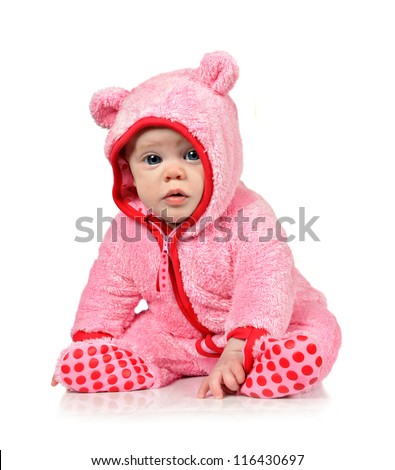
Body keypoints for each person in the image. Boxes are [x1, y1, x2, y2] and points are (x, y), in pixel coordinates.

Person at [52, 51, 341, 399]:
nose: (173, 172)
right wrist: (91, 338)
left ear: (220, 153)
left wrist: (239, 346)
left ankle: (270, 360)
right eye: (153, 159)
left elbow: (265, 280)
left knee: (313, 327)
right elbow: (108, 288)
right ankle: (119, 361)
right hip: (179, 339)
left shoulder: (248, 215)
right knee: (146, 337)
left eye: (191, 155)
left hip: (267, 327)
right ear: (127, 167)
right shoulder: (127, 230)